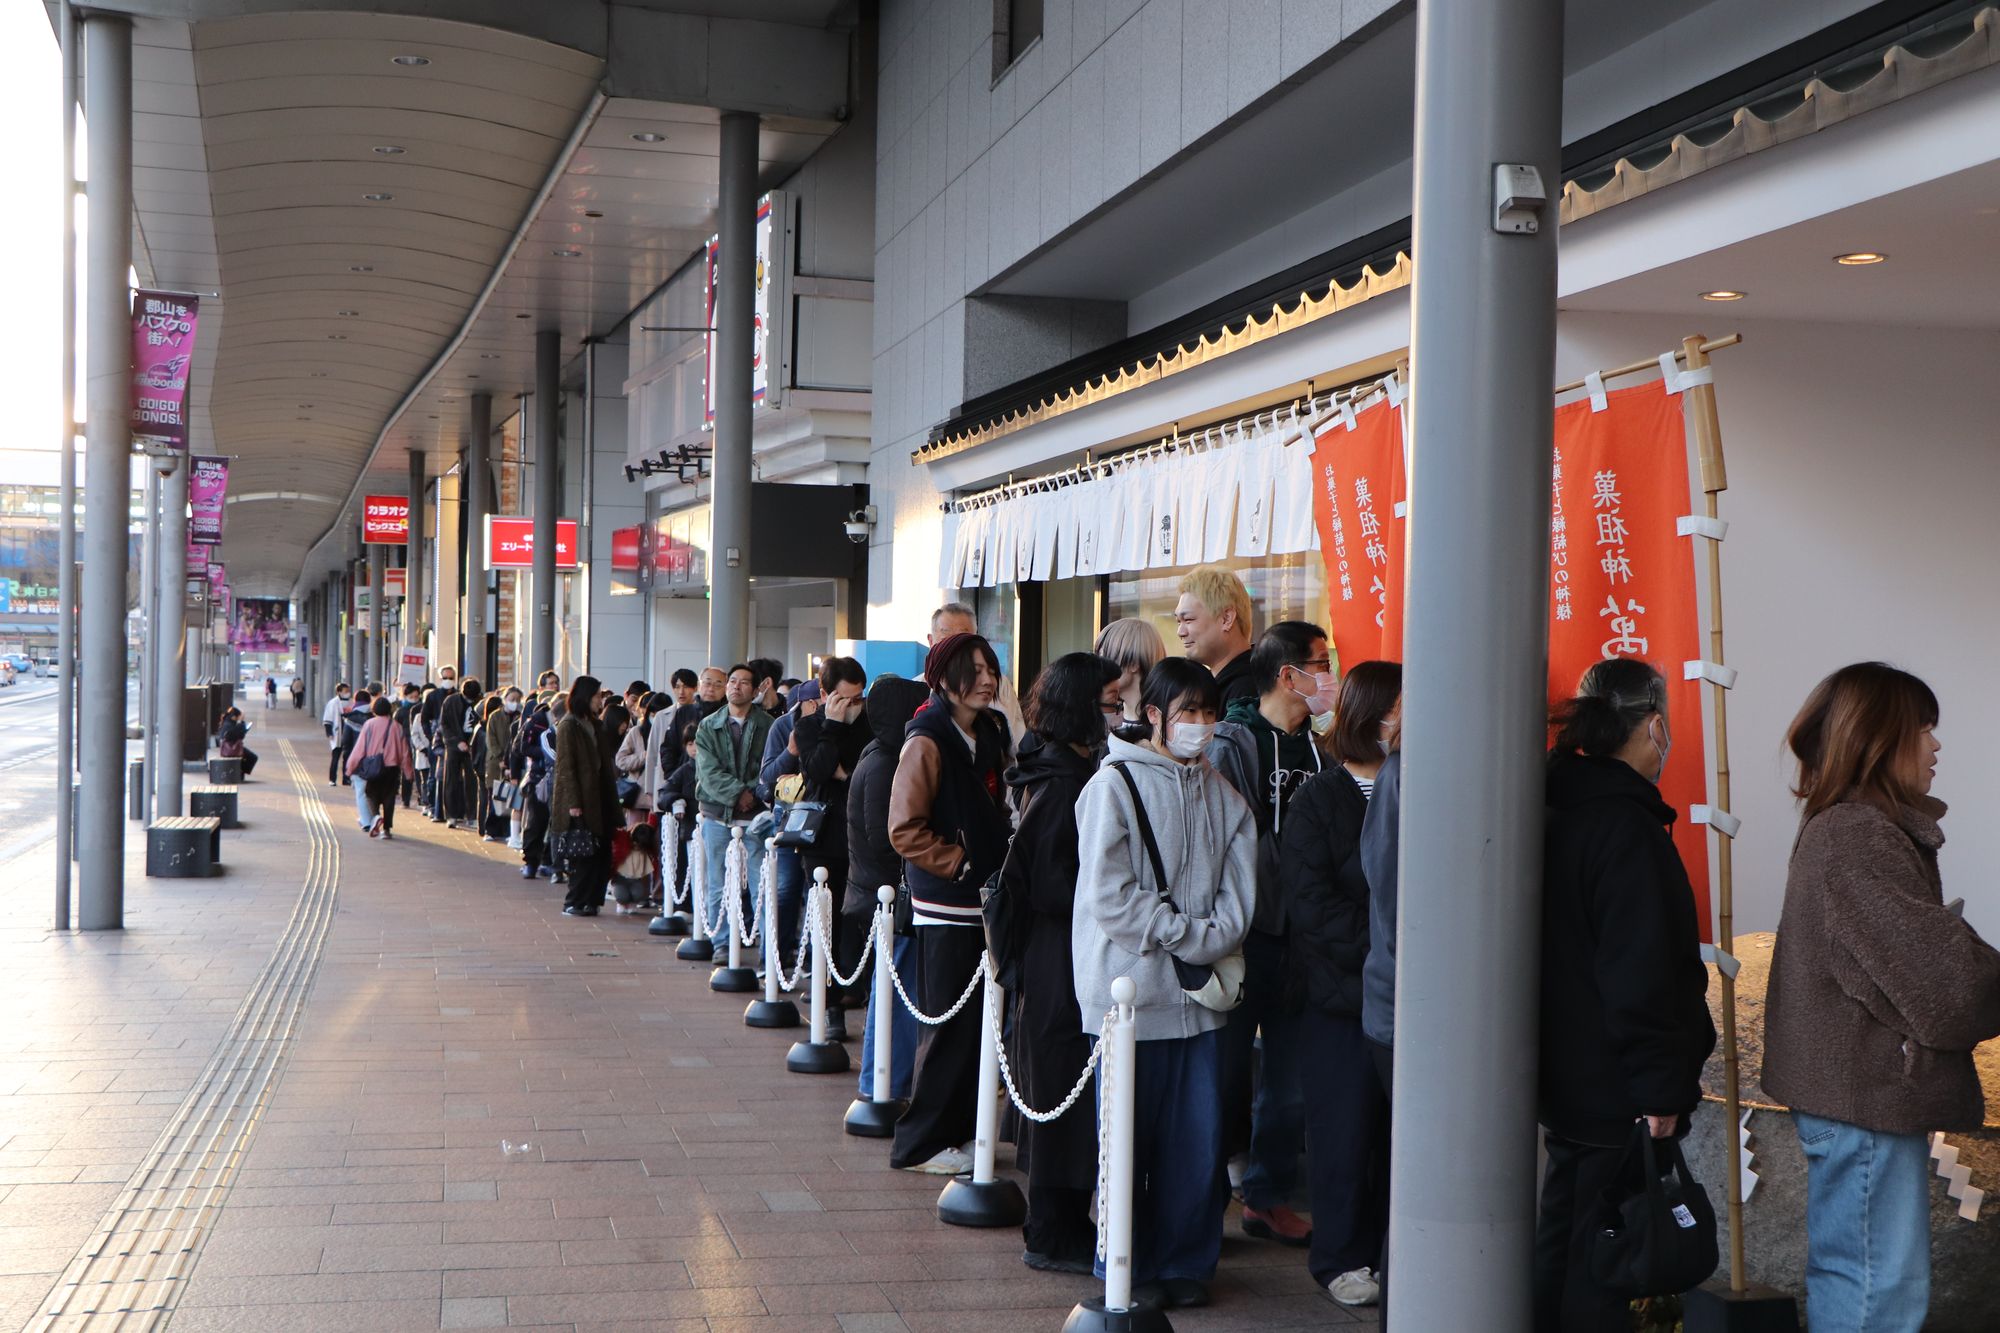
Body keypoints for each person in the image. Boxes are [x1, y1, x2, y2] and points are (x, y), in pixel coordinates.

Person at [1762, 663, 2000, 1333]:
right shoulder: (1859, 836)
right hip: (1864, 1098)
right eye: (1924, 728)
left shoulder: (1844, 829)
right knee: (1876, 1292)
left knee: (1859, 1277)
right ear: (1881, 737)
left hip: (1854, 1096)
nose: (1935, 745)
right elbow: (1946, 987)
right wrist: (1970, 957)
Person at [1535, 658, 1717, 1332]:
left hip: (1565, 1071)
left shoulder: (1558, 806)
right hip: (1615, 1085)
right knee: (1606, 1266)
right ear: (1655, 724)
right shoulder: (1623, 827)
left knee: (1565, 1241)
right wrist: (1660, 1090)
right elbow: (1641, 973)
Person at [1073, 658, 1256, 1308]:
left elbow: (1242, 884)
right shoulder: (1112, 784)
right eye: (1188, 713)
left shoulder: (1221, 790)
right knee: (1126, 1139)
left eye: (1209, 713)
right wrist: (1186, 933)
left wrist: (1212, 936)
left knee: (1195, 1141)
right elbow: (1108, 895)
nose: (1201, 727)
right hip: (1126, 1001)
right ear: (1152, 713)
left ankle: (1185, 1260)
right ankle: (1124, 1263)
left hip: (1197, 1000)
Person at [1204, 620, 1333, 1247]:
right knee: (1222, 1075)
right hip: (1244, 934)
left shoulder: (1320, 748)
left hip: (1303, 939)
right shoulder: (1235, 741)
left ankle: (1267, 1196)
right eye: (1321, 663)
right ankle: (1200, 1200)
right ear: (1289, 675)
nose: (1328, 676)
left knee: (1291, 1081)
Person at [1279, 660, 1400, 1308]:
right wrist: (1383, 944)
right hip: (1338, 997)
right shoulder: (1319, 795)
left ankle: (1388, 1250)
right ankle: (1340, 1256)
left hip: (1403, 995)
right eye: (1395, 709)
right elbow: (1310, 900)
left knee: (1393, 1135)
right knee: (1343, 1131)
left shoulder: (1415, 784)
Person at [1004, 652, 1122, 1274]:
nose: (1119, 712)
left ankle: (1058, 1223)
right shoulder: (1063, 781)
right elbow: (1050, 883)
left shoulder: (1048, 766)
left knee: (1056, 1083)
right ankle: (1051, 1231)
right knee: (1059, 1085)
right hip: (1060, 953)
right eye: (1110, 701)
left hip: (1056, 951)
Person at [887, 633, 1014, 1176]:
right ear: (944, 678)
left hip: (985, 902)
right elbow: (904, 829)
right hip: (945, 905)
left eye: (992, 669)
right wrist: (957, 862)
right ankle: (919, 1145)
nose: (988, 679)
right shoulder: (927, 740)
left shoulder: (989, 732)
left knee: (973, 1031)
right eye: (976, 670)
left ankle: (957, 1133)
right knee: (945, 1029)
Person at [846, 676, 929, 1104]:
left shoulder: (880, 754)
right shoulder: (883, 763)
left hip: (881, 896)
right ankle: (882, 1084)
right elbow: (886, 837)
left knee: (893, 992)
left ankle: (886, 1082)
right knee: (895, 995)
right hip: (888, 899)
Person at [792, 657, 870, 1034]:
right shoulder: (809, 726)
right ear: (824, 694)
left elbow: (867, 773)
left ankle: (856, 989)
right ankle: (830, 1007)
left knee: (860, 920)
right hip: (823, 840)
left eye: (859, 699)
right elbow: (819, 770)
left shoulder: (871, 724)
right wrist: (834, 727)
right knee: (827, 921)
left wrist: (847, 772)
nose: (853, 707)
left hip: (864, 838)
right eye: (844, 699)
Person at [694, 665, 774, 937]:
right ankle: (721, 943)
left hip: (755, 816)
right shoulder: (708, 725)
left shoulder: (768, 725)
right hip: (716, 813)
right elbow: (708, 772)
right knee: (717, 882)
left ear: (755, 690)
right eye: (732, 681)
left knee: (759, 883)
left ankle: (764, 948)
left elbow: (770, 767)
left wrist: (750, 794)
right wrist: (738, 793)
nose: (736, 686)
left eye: (744, 682)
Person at [553, 675, 619, 917]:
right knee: (583, 852)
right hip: (581, 799)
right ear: (585, 697)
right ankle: (574, 901)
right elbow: (565, 767)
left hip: (600, 795)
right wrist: (573, 803)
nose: (600, 700)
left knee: (601, 852)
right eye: (596, 696)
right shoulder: (569, 725)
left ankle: (593, 900)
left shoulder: (594, 723)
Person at [1173, 565, 1256, 706]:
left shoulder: (1248, 692)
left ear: (1226, 619)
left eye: (1188, 620)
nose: (1180, 632)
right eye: (1178, 622)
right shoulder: (1216, 685)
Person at [346, 694, 415, 839]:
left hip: (373, 766)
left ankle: (376, 816)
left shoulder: (369, 725)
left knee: (371, 794)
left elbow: (360, 748)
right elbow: (405, 751)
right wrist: (409, 772)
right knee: (389, 798)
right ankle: (387, 830)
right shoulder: (397, 726)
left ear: (374, 709)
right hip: (392, 768)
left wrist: (350, 767)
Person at [517, 695, 562, 880]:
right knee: (536, 822)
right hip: (539, 778)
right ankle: (531, 862)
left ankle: (548, 861)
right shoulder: (537, 723)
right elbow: (522, 747)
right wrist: (543, 754)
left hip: (559, 780)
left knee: (554, 824)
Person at [1095, 618, 1167, 722]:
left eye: (1104, 657)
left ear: (1133, 663)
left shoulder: (1163, 727)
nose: (1099, 666)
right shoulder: (1104, 720)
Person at [440, 677, 482, 830]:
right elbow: (444, 724)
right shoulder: (451, 701)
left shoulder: (480, 701)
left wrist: (472, 743)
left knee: (473, 781)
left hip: (474, 745)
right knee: (451, 780)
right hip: (454, 745)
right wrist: (456, 741)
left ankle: (472, 815)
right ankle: (451, 815)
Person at [481, 689, 520, 843]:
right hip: (495, 763)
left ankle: (506, 830)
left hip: (512, 762)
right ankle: (490, 830)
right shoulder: (495, 716)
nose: (514, 702)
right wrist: (500, 757)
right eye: (512, 698)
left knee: (509, 798)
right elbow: (491, 739)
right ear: (504, 699)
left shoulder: (519, 716)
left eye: (517, 699)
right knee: (495, 796)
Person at [322, 681, 352, 784]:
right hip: (337, 733)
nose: (348, 693)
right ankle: (332, 779)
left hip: (348, 733)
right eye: (345, 691)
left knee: (347, 757)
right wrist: (329, 733)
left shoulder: (351, 702)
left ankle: (346, 778)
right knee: (335, 757)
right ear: (339, 692)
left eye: (348, 691)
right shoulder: (333, 703)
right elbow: (327, 719)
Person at [217, 707, 259, 777]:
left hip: (230, 747)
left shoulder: (227, 722)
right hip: (232, 748)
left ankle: (239, 771)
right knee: (253, 757)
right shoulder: (229, 724)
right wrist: (242, 723)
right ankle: (239, 772)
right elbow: (238, 735)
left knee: (249, 757)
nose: (239, 718)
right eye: (239, 716)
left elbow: (238, 734)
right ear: (234, 716)